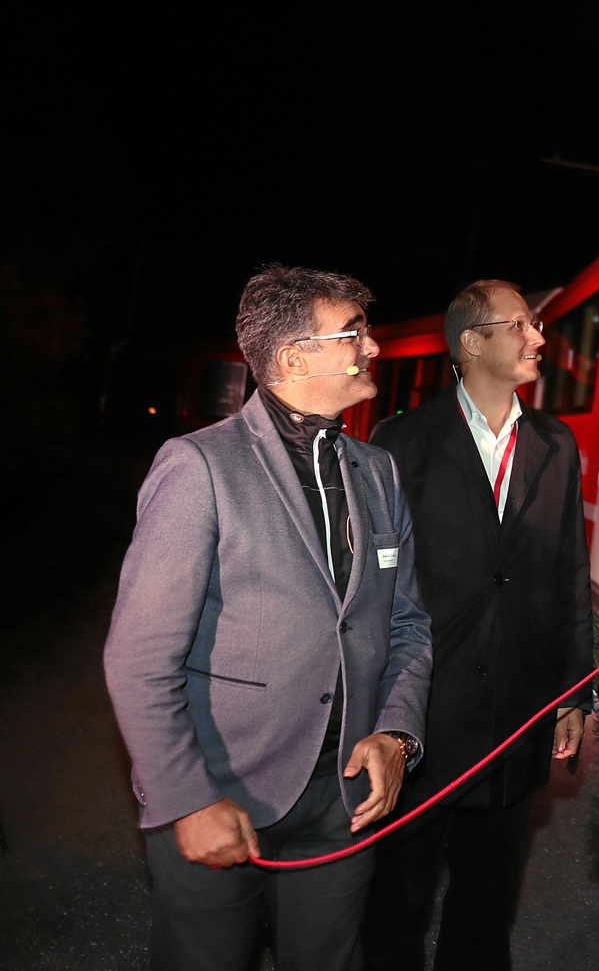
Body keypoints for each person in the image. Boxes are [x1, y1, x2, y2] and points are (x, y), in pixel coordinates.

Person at [104, 265, 433, 971]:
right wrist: (187, 800)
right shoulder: (199, 466)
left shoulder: (377, 471)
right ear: (292, 358)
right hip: (222, 790)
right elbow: (138, 657)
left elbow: (406, 622)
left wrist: (397, 733)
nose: (372, 348)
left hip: (344, 801)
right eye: (355, 334)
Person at [363, 279, 593, 971]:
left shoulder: (557, 445)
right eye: (521, 325)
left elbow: (570, 576)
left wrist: (573, 692)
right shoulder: (402, 442)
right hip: (425, 712)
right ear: (471, 341)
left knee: (486, 908)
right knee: (395, 903)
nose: (539, 339)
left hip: (516, 713)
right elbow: (376, 589)